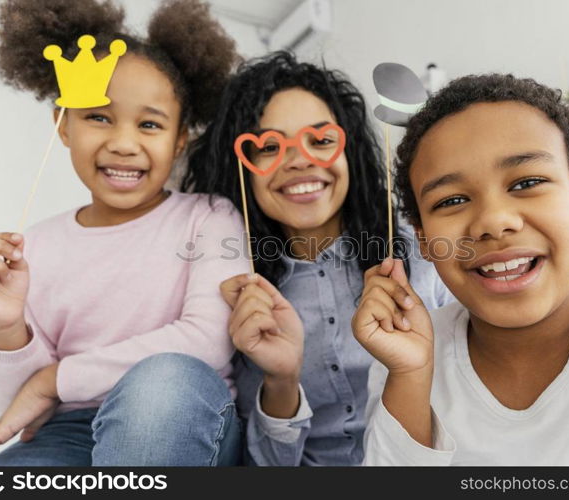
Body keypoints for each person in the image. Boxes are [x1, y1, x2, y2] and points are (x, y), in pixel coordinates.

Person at [0, 0, 248, 466]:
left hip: (185, 417)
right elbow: (23, 410)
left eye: (149, 124)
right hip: (68, 432)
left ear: (180, 138)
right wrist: (4, 327)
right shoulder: (34, 245)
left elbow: (210, 339)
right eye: (98, 117)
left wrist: (54, 379)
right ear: (63, 125)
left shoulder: (208, 216)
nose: (123, 143)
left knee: (159, 384)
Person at [353, 73, 569, 465]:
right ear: (424, 240)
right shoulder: (404, 357)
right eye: (451, 200)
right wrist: (411, 375)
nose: (493, 221)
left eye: (527, 182)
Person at [182, 51, 453, 466]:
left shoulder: (422, 252)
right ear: (243, 167)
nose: (300, 159)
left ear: (352, 153)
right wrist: (281, 380)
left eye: (322, 140)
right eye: (269, 146)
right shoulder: (241, 289)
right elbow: (268, 465)